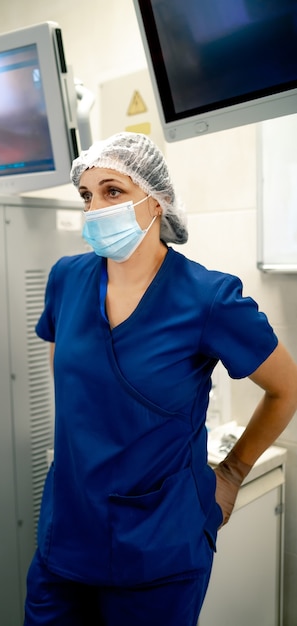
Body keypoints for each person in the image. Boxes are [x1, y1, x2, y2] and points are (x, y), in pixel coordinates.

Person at [24, 132, 297, 626]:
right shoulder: (66, 278)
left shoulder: (208, 299)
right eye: (87, 196)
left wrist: (232, 473)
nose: (95, 208)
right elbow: (66, 373)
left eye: (113, 191)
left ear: (158, 200)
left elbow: (287, 388)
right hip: (66, 534)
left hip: (159, 549)